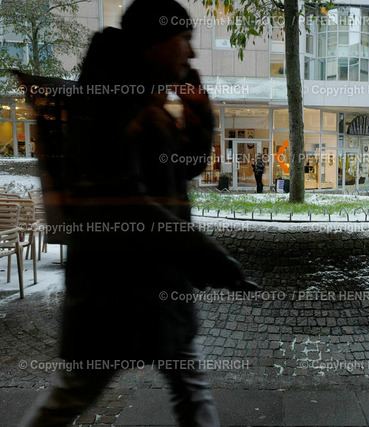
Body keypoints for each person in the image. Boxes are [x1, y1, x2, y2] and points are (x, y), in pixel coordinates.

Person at [20, 1, 258, 426]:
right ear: (154, 43)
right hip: (114, 293)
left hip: (155, 286)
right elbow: (130, 206)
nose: (192, 53)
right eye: (184, 39)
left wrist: (200, 116)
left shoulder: (143, 99)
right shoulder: (110, 102)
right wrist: (211, 260)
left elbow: (183, 168)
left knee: (189, 388)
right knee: (73, 394)